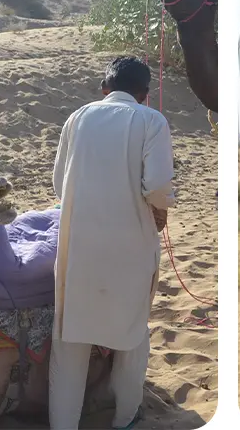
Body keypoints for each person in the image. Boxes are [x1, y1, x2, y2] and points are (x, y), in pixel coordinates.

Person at [49, 56, 175, 430]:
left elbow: (59, 185)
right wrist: (161, 206)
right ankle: (124, 420)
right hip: (132, 249)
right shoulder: (152, 120)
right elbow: (157, 187)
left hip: (78, 249)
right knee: (132, 336)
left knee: (69, 343)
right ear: (144, 94)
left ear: (105, 89)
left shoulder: (78, 117)